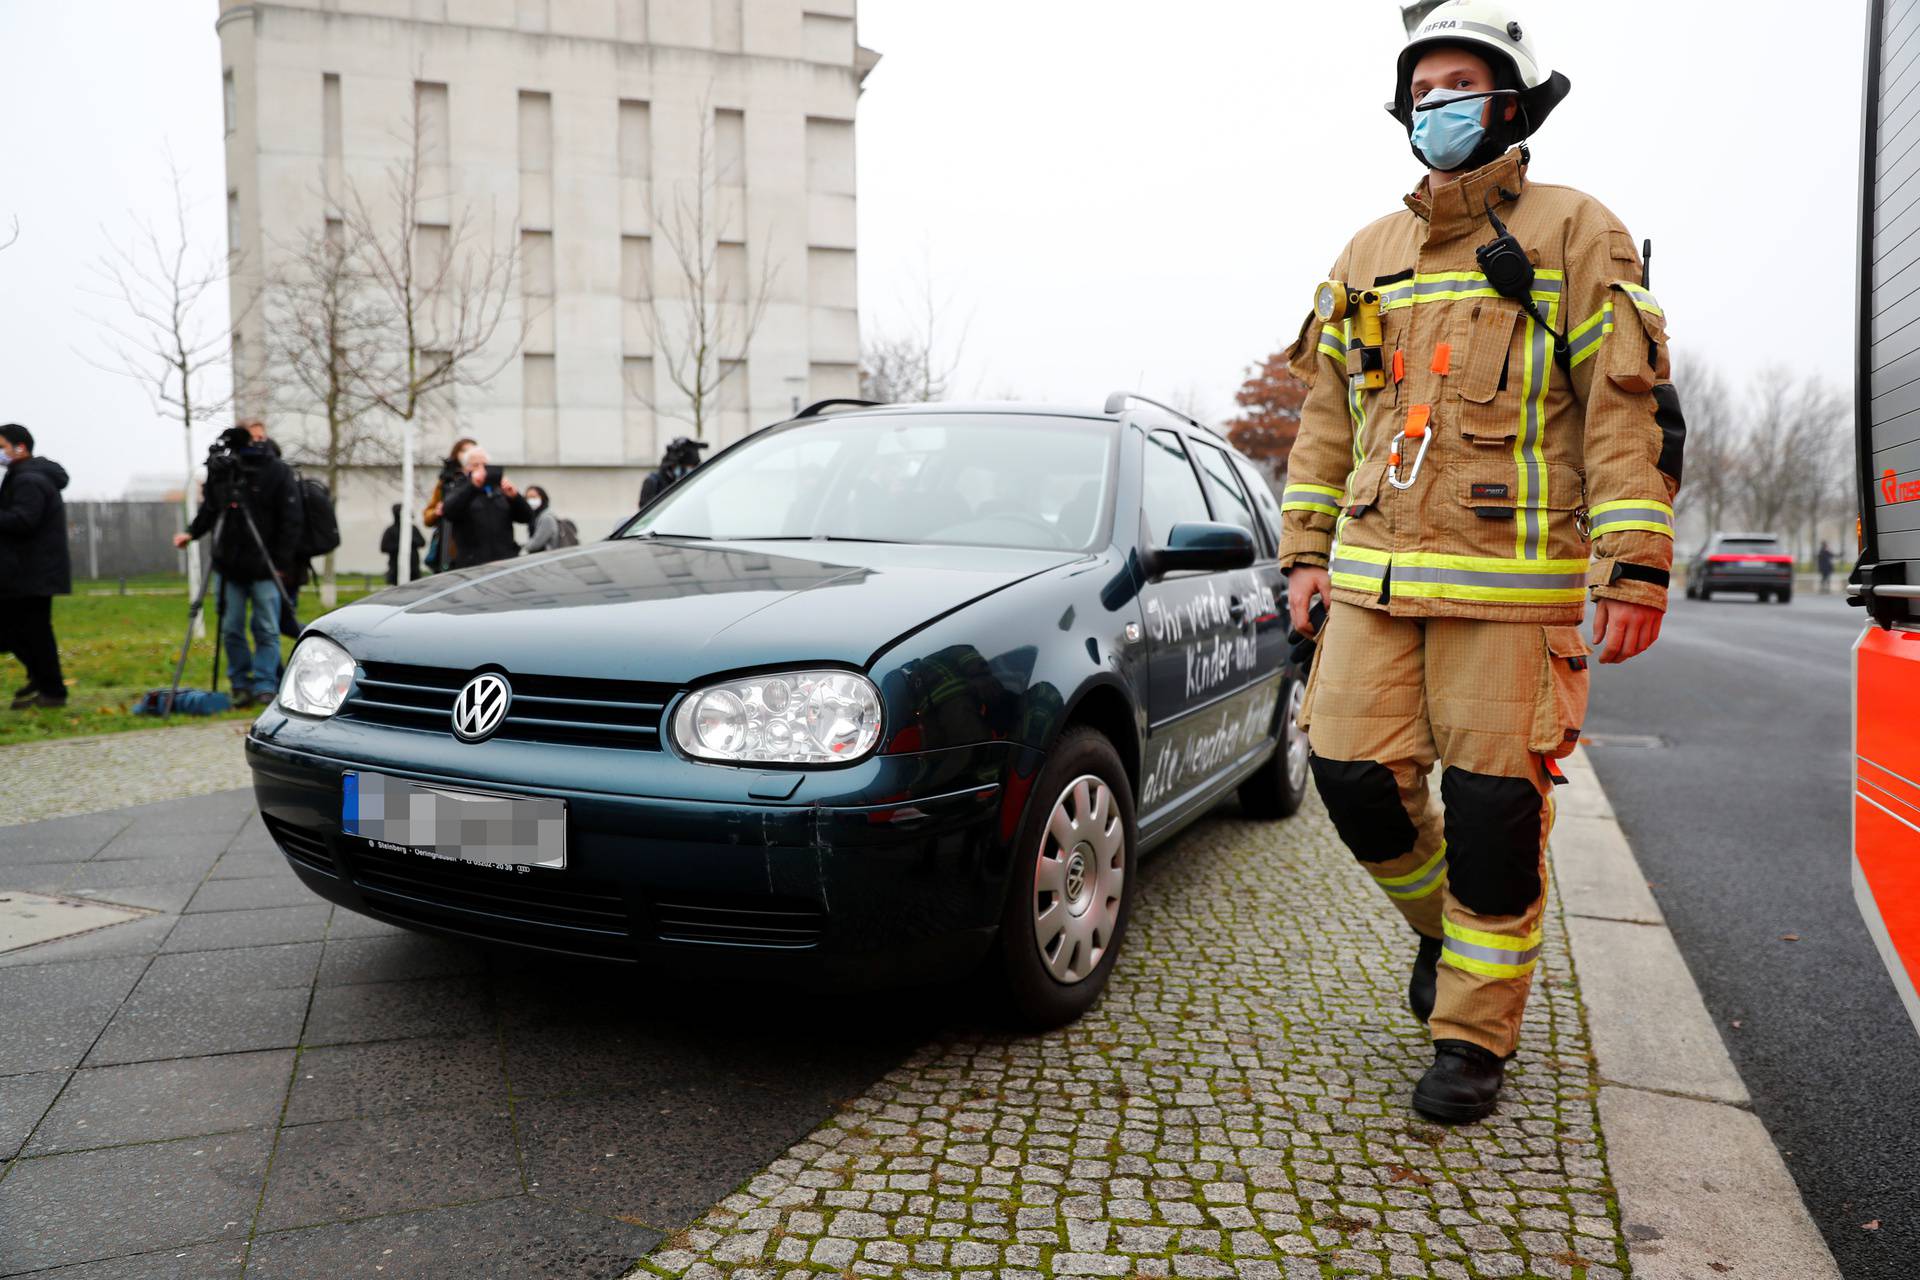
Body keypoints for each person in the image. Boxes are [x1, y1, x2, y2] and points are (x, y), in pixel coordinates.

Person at [1279, 1, 1684, 1123]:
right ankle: (1444, 934)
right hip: (1373, 578)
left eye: (1458, 86)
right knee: (1351, 778)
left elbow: (1620, 411)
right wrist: (1304, 551)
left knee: (1499, 816)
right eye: (1421, 92)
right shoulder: (1367, 251)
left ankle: (1471, 1035)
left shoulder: (1574, 230)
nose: (1435, 106)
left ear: (1510, 99)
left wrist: (1635, 558)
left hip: (1515, 593)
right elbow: (1328, 417)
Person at [172, 425, 303, 707]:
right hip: (228, 564)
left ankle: (266, 685)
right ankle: (240, 684)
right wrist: (192, 533)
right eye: (249, 437)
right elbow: (211, 508)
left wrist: (280, 563)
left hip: (265, 566)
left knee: (266, 628)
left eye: (259, 437)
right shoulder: (226, 470)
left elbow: (291, 520)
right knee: (231, 627)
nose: (254, 443)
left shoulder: (277, 472)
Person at [0, 424, 72, 710]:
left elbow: (24, 519)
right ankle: (42, 679)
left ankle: (51, 690)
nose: (0, 453)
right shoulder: (23, 476)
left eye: (2, 447)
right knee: (20, 631)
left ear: (21, 448)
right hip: (25, 571)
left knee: (33, 632)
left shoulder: (29, 479)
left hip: (32, 572)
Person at [245, 419, 309, 639]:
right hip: (290, 567)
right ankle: (276, 670)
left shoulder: (282, 481)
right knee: (270, 623)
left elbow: (291, 524)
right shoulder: (286, 481)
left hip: (285, 569)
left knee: (277, 624)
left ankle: (323, 646)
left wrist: (280, 564)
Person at [439, 445, 532, 569]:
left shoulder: (499, 490)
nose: (481, 469)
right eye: (475, 465)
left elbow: (527, 517)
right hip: (473, 564)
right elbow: (449, 512)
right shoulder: (459, 487)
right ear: (466, 469)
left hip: (505, 562)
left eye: (484, 465)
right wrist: (472, 486)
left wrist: (515, 497)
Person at [421, 436, 476, 574]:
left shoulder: (485, 481)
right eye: (463, 451)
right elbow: (427, 516)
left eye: (472, 451)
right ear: (456, 454)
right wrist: (437, 512)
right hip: (450, 549)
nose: (467, 455)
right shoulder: (446, 482)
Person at [638, 436, 709, 506]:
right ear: (674, 465)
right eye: (687, 467)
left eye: (693, 468)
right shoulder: (653, 482)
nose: (689, 471)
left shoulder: (693, 486)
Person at [381, 503, 424, 585]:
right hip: (396, 567)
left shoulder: (412, 528)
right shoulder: (390, 530)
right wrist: (401, 545)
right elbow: (384, 547)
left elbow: (422, 542)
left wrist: (411, 542)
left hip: (413, 567)